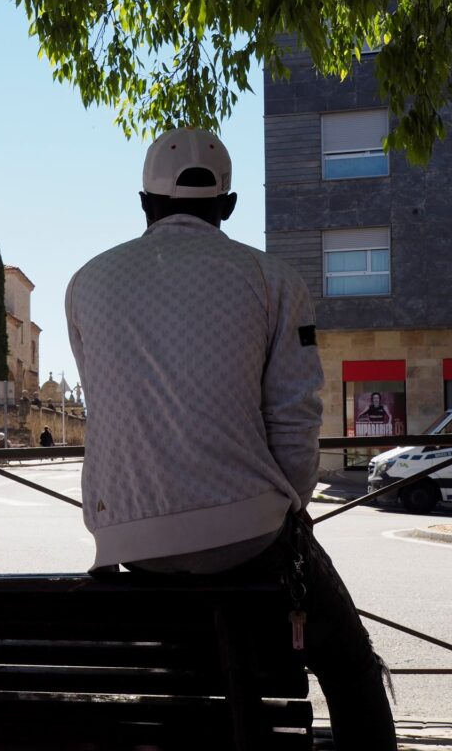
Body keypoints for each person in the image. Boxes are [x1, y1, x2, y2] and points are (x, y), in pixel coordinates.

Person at [65, 129, 395, 750]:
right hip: (248, 537)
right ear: (230, 205)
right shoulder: (273, 279)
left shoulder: (85, 283)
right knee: (352, 666)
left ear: (144, 203)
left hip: (127, 541)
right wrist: (290, 507)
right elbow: (298, 416)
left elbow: (111, 405)